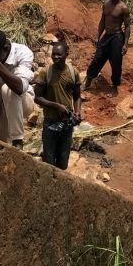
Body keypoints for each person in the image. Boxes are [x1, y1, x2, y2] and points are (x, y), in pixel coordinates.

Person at [0, 28, 35, 149]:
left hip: (23, 102)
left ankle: (18, 140)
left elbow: (19, 87)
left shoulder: (22, 53)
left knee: (8, 89)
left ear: (6, 48)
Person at [34, 42, 82, 170]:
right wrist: (56, 106)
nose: (55, 57)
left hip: (66, 122)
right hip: (50, 122)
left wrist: (77, 112)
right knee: (48, 162)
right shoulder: (46, 73)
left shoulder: (73, 72)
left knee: (63, 161)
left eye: (59, 55)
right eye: (53, 54)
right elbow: (37, 97)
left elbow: (77, 96)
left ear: (66, 55)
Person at [84, 0, 131, 97]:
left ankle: (114, 87)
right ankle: (89, 79)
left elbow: (127, 26)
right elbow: (102, 21)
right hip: (107, 35)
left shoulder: (123, 8)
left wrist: (125, 44)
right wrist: (98, 37)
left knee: (116, 62)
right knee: (97, 58)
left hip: (117, 36)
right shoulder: (105, 4)